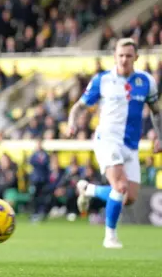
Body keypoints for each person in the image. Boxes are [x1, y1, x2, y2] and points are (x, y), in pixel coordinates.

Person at [67, 38, 161, 249]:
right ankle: (110, 236)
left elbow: (157, 112)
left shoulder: (146, 81)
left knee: (128, 197)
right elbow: (79, 107)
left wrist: (160, 137)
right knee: (119, 186)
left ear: (136, 57)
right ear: (115, 57)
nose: (124, 59)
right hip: (108, 140)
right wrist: (72, 123)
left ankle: (88, 189)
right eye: (120, 55)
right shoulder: (103, 80)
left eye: (128, 55)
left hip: (131, 145)